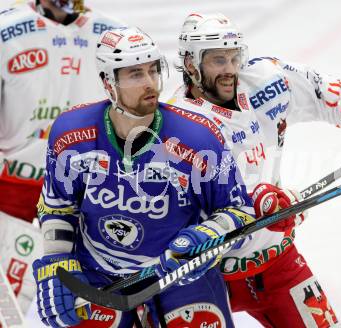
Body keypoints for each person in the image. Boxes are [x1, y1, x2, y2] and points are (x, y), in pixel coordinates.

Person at [168, 13, 341, 328]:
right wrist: (254, 204)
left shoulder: (264, 78)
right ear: (191, 64)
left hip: (276, 260)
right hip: (208, 276)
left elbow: (321, 91)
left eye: (235, 57)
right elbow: (179, 212)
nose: (231, 69)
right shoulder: (175, 126)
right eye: (219, 60)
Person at [33, 26, 255, 328]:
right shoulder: (72, 134)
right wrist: (56, 262)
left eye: (153, 70)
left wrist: (207, 238)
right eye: (136, 74)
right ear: (108, 82)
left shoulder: (197, 138)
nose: (151, 83)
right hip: (98, 272)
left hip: (178, 273)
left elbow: (240, 212)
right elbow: (57, 204)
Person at [0, 0, 126, 319]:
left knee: (90, 306)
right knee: (8, 306)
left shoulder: (115, 35)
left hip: (86, 194)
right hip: (12, 191)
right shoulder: (6, 29)